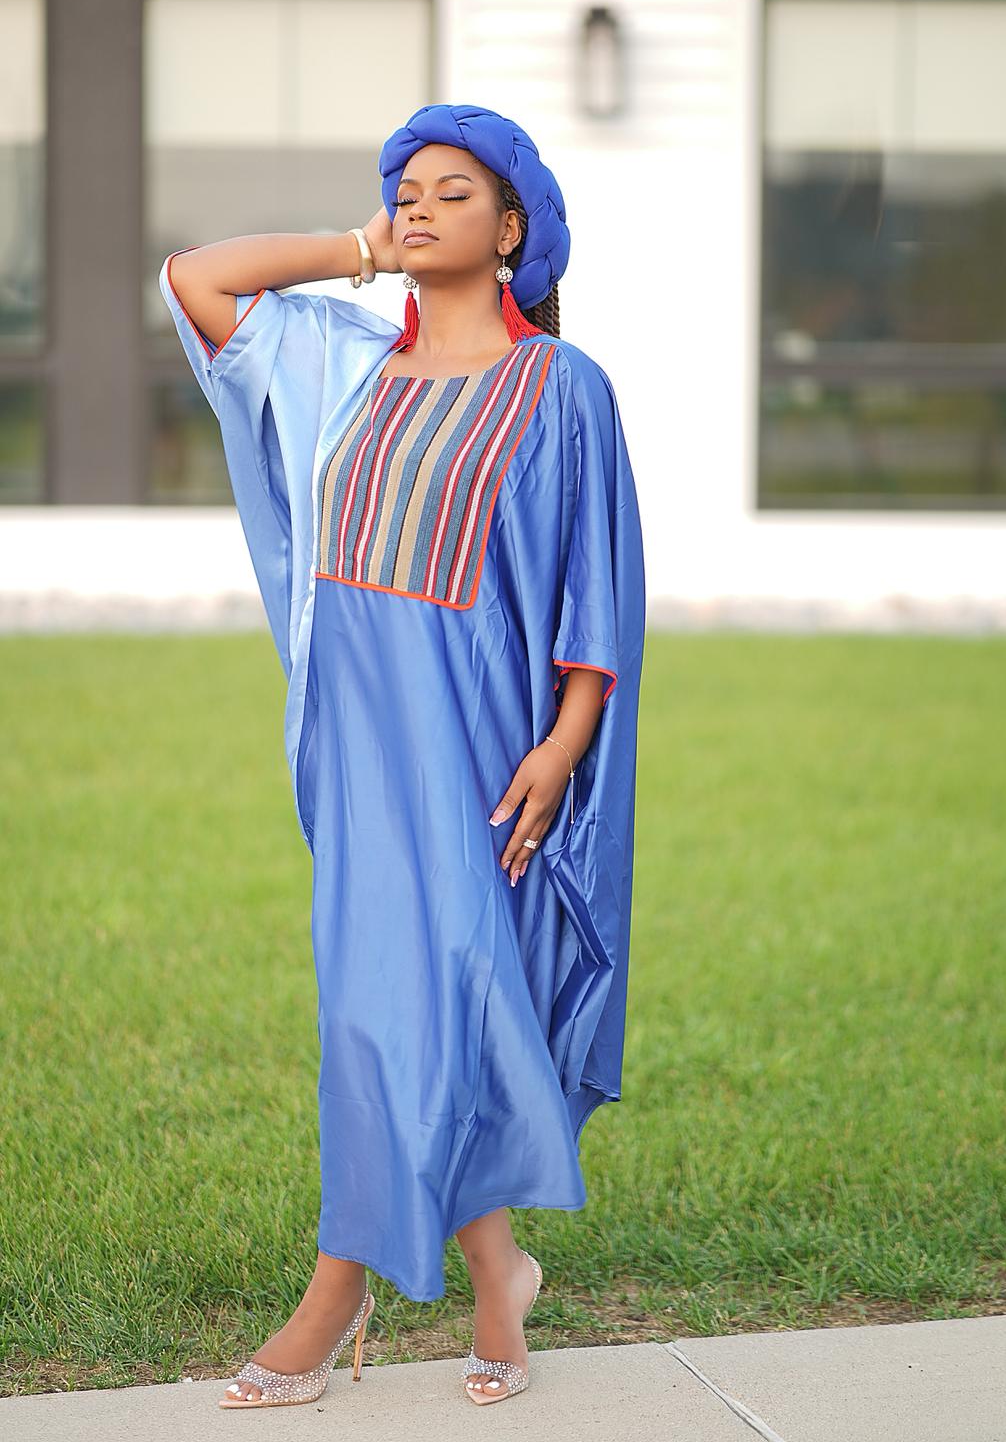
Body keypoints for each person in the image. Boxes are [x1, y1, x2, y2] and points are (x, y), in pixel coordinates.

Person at [158, 102, 646, 1409]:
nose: (421, 205)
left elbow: (597, 583)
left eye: (453, 192)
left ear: (514, 229)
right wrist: (359, 249)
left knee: (446, 1001)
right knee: (384, 1007)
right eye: (406, 189)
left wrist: (566, 744)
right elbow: (197, 280)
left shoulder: (564, 388)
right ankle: (496, 1277)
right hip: (357, 740)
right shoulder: (345, 363)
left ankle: (340, 1297)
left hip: (484, 743)